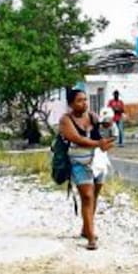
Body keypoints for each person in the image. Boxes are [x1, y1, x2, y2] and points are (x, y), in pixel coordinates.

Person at [60, 88, 115, 250]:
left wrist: (108, 127)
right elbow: (77, 138)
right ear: (71, 104)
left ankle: (86, 229)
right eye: (79, 100)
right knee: (87, 197)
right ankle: (91, 237)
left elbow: (104, 132)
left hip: (97, 162)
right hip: (79, 163)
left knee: (94, 196)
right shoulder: (66, 120)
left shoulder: (92, 116)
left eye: (85, 100)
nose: (84, 103)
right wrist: (99, 143)